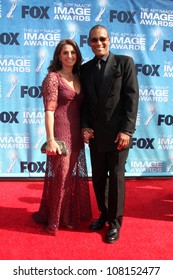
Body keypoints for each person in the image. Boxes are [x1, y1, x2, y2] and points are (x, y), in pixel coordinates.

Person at [80, 25, 139, 243]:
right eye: (94, 40)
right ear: (89, 43)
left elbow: (132, 99)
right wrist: (84, 126)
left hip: (117, 135)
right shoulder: (85, 69)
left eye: (102, 39)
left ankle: (114, 223)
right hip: (95, 136)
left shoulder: (124, 63)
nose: (99, 43)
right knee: (97, 179)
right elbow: (85, 104)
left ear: (109, 40)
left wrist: (127, 130)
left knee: (115, 178)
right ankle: (104, 215)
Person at [32, 39, 92, 235]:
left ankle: (65, 215)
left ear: (77, 56)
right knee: (61, 176)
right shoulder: (53, 78)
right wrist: (50, 139)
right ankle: (54, 221)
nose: (69, 56)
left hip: (76, 134)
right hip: (60, 132)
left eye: (73, 53)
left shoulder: (78, 77)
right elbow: (49, 111)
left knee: (68, 178)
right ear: (58, 55)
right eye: (65, 53)